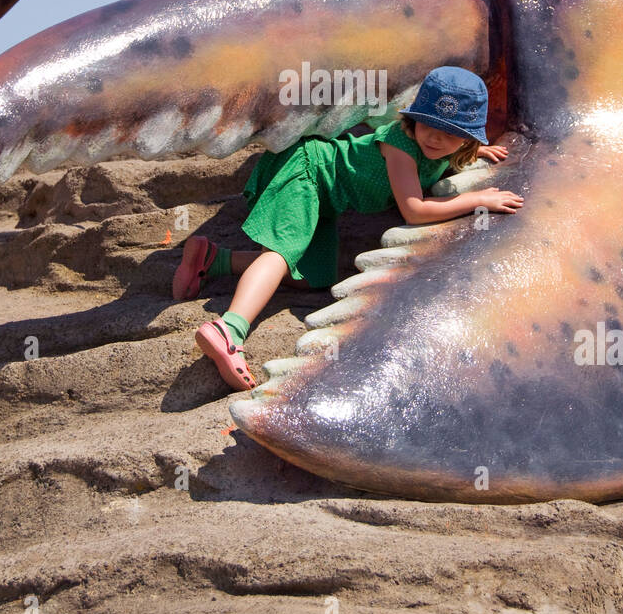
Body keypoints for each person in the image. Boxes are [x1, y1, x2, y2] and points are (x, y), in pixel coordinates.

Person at [174, 66, 523, 390]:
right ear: (413, 119)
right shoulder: (400, 145)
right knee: (280, 255)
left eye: (451, 134)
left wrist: (477, 154)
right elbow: (415, 211)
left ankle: (213, 259)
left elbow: (445, 156)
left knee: (311, 276)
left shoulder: (446, 151)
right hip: (308, 170)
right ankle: (229, 329)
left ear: (466, 139)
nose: (434, 138)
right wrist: (479, 201)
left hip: (326, 200)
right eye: (428, 124)